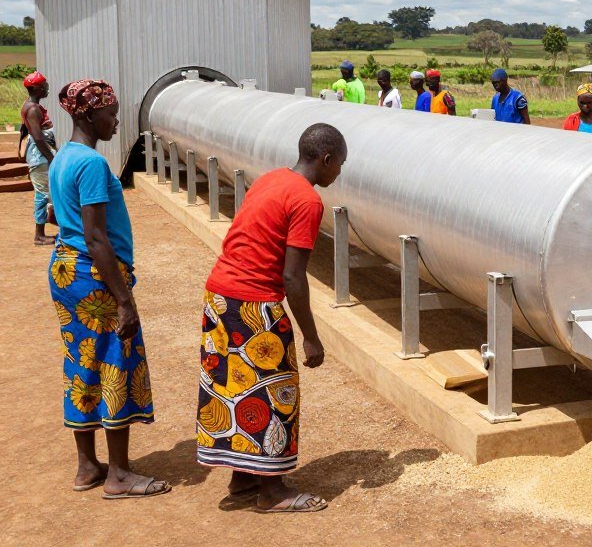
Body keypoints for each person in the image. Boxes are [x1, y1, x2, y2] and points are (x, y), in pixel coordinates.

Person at [196, 123, 347, 513]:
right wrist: (311, 337)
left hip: (219, 297)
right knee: (276, 391)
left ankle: (243, 478)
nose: (339, 173)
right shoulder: (308, 202)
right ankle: (272, 491)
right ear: (326, 159)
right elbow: (293, 276)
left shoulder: (272, 180)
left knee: (234, 388)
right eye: (340, 165)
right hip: (253, 305)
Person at [49, 79, 169, 499]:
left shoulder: (63, 156)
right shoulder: (93, 165)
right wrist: (124, 300)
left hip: (66, 270)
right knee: (116, 360)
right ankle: (118, 474)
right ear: (87, 114)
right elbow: (97, 236)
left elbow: (55, 212)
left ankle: (87, 466)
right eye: (110, 112)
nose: (116, 120)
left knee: (82, 361)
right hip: (94, 274)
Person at [21, 70, 56, 245]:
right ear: (35, 88)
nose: (46, 88)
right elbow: (38, 138)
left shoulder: (32, 106)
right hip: (40, 158)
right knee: (42, 195)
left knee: (49, 193)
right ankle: (39, 235)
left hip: (41, 157)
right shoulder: (33, 109)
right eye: (43, 86)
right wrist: (52, 158)